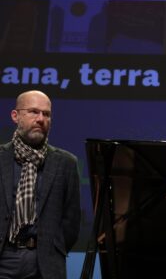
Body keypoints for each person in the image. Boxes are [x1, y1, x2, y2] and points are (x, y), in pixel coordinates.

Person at [0, 90, 81, 279]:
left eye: (46, 114)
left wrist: (53, 250)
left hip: (44, 264)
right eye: (33, 112)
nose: (40, 119)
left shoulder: (66, 163)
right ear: (15, 116)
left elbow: (71, 221)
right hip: (4, 258)